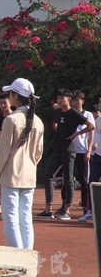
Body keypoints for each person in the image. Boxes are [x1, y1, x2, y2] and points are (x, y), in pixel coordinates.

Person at [0, 78, 44, 249]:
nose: (8, 96)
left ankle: (18, 257)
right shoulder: (38, 121)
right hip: (29, 175)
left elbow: (3, 152)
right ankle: (27, 256)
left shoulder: (11, 120)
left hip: (10, 175)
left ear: (15, 95)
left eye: (10, 93)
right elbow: (38, 153)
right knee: (26, 219)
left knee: (11, 221)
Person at [38, 88, 94, 220]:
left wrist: (76, 134)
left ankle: (67, 210)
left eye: (62, 98)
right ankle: (48, 210)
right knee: (48, 176)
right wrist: (58, 129)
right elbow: (55, 121)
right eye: (58, 98)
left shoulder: (74, 113)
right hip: (57, 148)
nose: (59, 100)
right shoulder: (58, 112)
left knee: (68, 178)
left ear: (68, 99)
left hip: (69, 149)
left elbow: (91, 126)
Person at [68, 91, 94, 215]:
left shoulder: (88, 115)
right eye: (73, 100)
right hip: (70, 150)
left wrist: (89, 151)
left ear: (82, 101)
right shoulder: (69, 113)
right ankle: (65, 205)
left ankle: (85, 206)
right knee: (67, 179)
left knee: (84, 180)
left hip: (83, 151)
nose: (75, 103)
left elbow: (91, 133)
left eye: (77, 100)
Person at [80, 104, 101, 222]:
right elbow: (96, 137)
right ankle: (90, 211)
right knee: (92, 182)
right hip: (98, 156)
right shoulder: (98, 121)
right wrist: (92, 148)